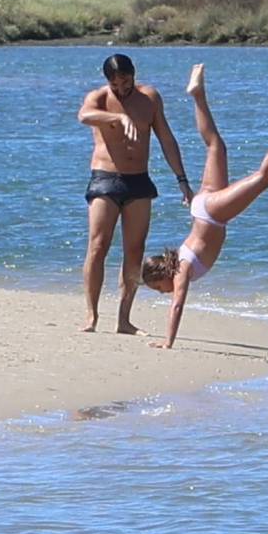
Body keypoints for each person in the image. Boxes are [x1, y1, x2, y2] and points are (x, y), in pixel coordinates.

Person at [141, 63, 268, 349]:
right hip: (203, 208)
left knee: (263, 178)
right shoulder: (180, 261)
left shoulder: (182, 270)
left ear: (161, 276)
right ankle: (197, 94)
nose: (162, 293)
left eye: (157, 289)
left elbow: (177, 306)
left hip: (212, 214)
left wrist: (168, 342)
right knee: (215, 146)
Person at [77, 54, 194, 334]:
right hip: (105, 179)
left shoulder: (149, 98)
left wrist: (182, 181)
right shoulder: (99, 98)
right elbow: (84, 116)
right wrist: (117, 116)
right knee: (98, 246)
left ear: (133, 75)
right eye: (114, 83)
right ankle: (91, 316)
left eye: (125, 81)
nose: (120, 87)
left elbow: (166, 139)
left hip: (139, 182)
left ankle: (124, 319)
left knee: (134, 251)